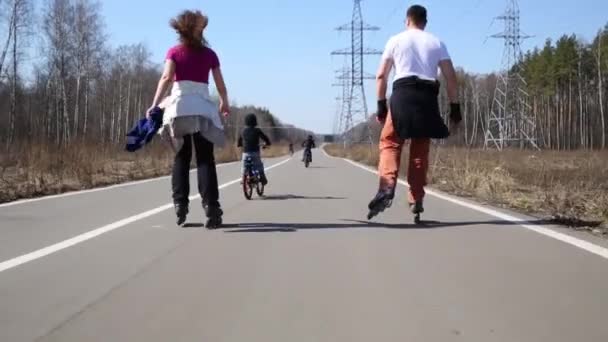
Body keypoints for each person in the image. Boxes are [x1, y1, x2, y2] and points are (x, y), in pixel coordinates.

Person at [368, 5, 461, 219]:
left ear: (407, 20)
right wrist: (455, 108)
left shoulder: (395, 40)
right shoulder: (436, 42)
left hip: (402, 94)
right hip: (427, 98)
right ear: (425, 22)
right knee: (420, 150)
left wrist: (381, 106)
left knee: (390, 142)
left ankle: (387, 187)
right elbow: (451, 77)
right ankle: (416, 197)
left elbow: (381, 76)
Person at [148, 10, 229, 228]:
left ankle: (180, 205)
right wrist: (224, 101)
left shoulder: (174, 52)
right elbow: (220, 84)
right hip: (202, 109)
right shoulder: (210, 54)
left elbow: (166, 78)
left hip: (179, 108)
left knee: (181, 158)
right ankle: (211, 208)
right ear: (199, 31)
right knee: (205, 159)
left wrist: (155, 104)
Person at [237, 113, 271, 185]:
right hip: (255, 152)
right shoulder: (257, 130)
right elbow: (265, 138)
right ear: (255, 121)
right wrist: (267, 143)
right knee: (259, 165)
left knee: (244, 166)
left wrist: (239, 145)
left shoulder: (243, 131)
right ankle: (262, 177)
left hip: (245, 152)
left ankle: (243, 179)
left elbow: (239, 140)